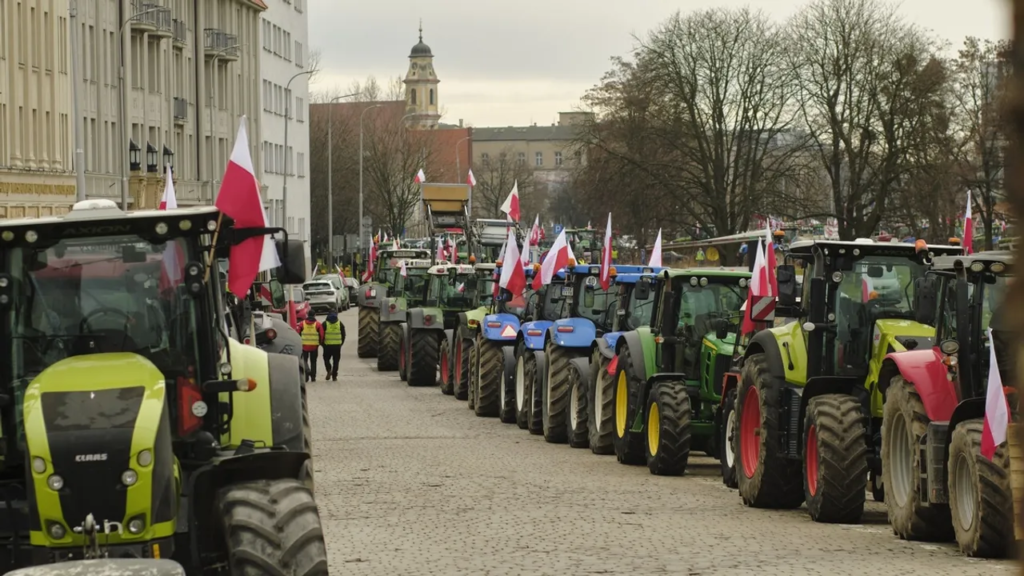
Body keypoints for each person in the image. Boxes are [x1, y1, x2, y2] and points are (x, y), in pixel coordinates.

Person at [300, 311, 324, 382]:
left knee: (304, 360)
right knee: (313, 362)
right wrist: (319, 343)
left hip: (304, 346)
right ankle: (313, 377)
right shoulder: (318, 324)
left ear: (307, 315)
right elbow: (322, 335)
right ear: (315, 315)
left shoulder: (302, 324)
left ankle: (306, 376)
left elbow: (297, 332)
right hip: (314, 346)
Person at [322, 310, 345, 381]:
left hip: (327, 345)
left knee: (326, 359)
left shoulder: (325, 324)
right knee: (336, 361)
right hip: (337, 346)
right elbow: (343, 335)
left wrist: (322, 344)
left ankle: (329, 370)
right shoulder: (340, 323)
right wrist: (341, 343)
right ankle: (334, 376)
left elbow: (321, 335)